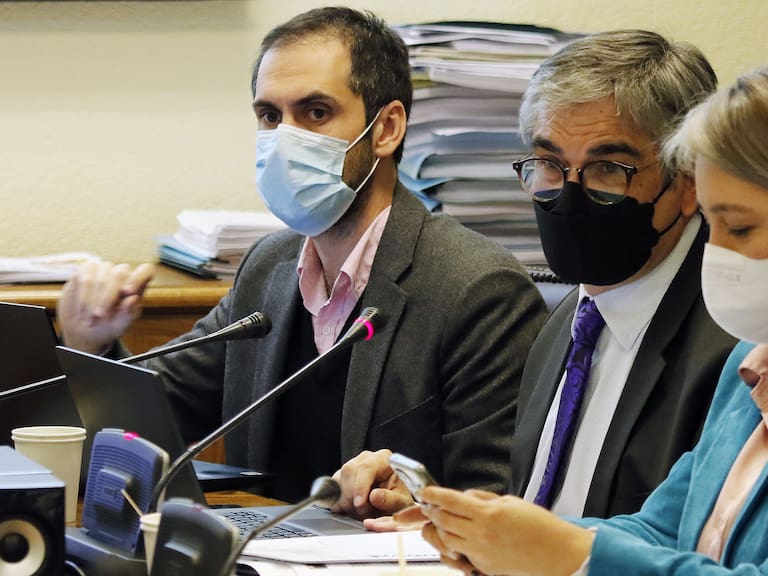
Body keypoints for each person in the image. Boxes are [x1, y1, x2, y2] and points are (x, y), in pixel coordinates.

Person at [56, 6, 548, 503]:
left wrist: (412, 499)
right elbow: (154, 424)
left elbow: (493, 506)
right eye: (270, 116)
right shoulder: (268, 266)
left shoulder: (477, 289)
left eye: (315, 112)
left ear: (386, 129)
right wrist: (88, 344)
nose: (285, 138)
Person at [336, 29, 737, 521]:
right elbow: (537, 514)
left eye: (608, 168)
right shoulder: (565, 321)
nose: (569, 195)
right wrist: (435, 509)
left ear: (688, 179)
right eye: (549, 164)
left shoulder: (732, 346)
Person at [416, 63, 768, 576]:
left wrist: (571, 555)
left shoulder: (724, 342)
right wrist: (489, 531)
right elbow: (662, 529)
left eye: (738, 227)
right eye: (713, 226)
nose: (717, 252)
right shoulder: (752, 361)